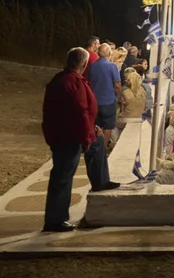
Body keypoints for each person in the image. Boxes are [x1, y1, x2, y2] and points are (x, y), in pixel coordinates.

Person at [42, 47, 118, 232]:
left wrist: (92, 128)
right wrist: (86, 136)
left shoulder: (64, 79)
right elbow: (79, 112)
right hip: (68, 136)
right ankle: (55, 220)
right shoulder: (71, 82)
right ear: (84, 64)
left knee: (98, 144)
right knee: (63, 176)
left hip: (72, 132)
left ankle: (101, 181)